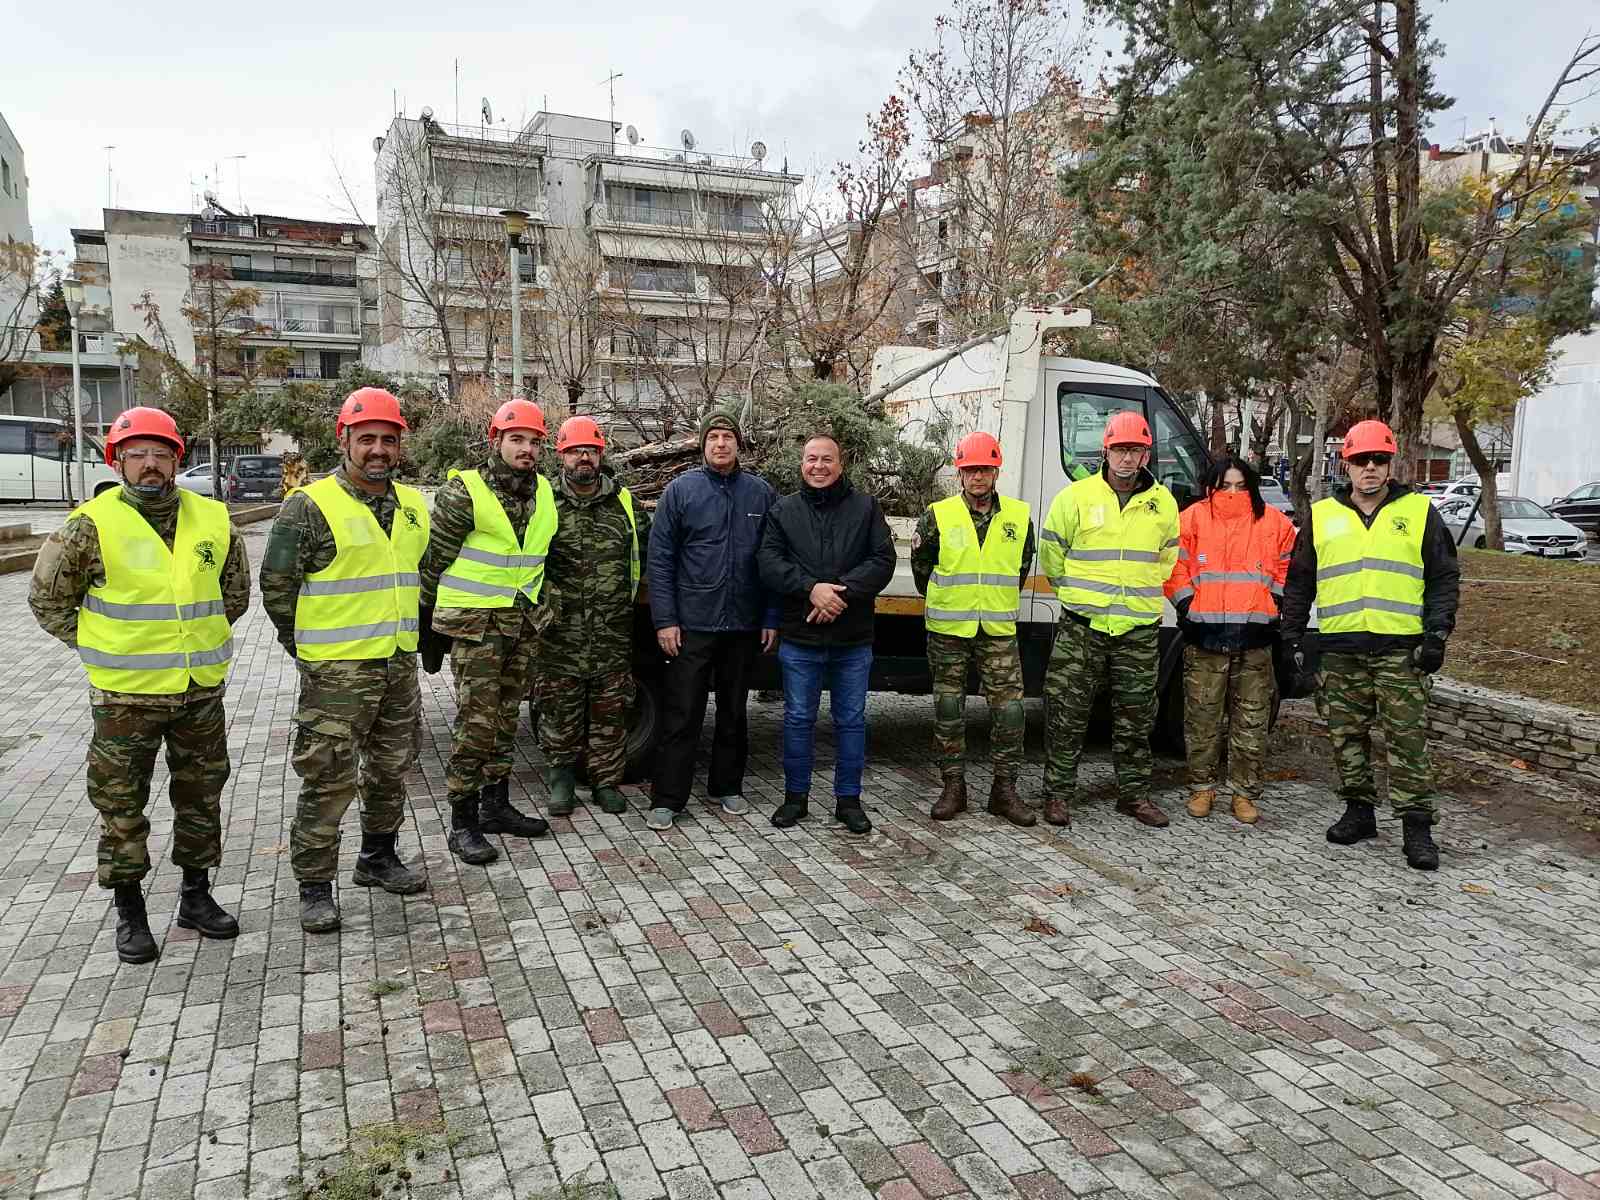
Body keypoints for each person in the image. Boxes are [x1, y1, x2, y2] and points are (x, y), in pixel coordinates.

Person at [28, 408, 248, 964]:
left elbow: (235, 593)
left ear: (178, 457)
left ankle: (196, 897)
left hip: (199, 693)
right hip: (126, 699)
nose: (150, 464)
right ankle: (130, 912)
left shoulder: (215, 519)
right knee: (122, 806)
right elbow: (47, 600)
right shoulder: (88, 525)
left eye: (161, 452)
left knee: (200, 798)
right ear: (118, 460)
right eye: (137, 453)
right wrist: (102, 645)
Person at [260, 387, 430, 932]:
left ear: (399, 445)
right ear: (345, 440)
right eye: (366, 439)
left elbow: (417, 577)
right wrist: (308, 649)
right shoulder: (308, 507)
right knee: (328, 778)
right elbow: (277, 588)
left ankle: (377, 857)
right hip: (337, 674)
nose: (377, 449)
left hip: (398, 667)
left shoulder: (410, 506)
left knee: (390, 771)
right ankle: (314, 886)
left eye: (387, 439)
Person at [1281, 419, 1460, 870]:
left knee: (1407, 739)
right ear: (1348, 464)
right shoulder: (1322, 516)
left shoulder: (1419, 513)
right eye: (1362, 461)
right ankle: (1359, 812)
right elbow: (1300, 581)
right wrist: (1293, 636)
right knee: (1346, 736)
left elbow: (1443, 579)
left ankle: (1416, 829)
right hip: (1340, 648)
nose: (1371, 469)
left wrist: (1437, 634)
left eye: (1379, 460)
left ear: (1390, 463)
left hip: (1401, 649)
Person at [420, 398, 554, 867]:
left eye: (534, 442)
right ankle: (463, 822)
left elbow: (539, 557)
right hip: (477, 630)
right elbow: (432, 563)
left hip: (521, 625)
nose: (527, 449)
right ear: (495, 441)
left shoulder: (543, 492)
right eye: (517, 440)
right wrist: (431, 625)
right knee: (475, 724)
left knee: (504, 720)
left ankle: (496, 806)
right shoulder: (466, 492)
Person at [1039, 410, 1179, 828]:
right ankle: (1057, 795)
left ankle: (1134, 797)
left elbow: (1168, 560)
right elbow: (1052, 557)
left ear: (1145, 454)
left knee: (1137, 716)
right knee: (1066, 713)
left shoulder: (1162, 504)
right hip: (1083, 627)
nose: (1126, 459)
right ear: (1106, 450)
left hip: (1137, 630)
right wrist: (1076, 596)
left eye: (1134, 450)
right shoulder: (1075, 497)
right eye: (1119, 449)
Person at [757, 434, 896, 835]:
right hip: (800, 638)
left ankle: (848, 801)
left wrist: (841, 593)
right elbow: (768, 561)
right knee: (798, 718)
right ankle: (795, 798)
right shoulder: (783, 511)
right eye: (811, 459)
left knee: (850, 720)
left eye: (827, 459)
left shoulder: (866, 507)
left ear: (842, 464)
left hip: (852, 638)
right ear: (802, 464)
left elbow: (882, 560)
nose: (818, 466)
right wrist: (810, 588)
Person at [647, 410, 779, 830]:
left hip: (742, 626)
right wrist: (665, 620)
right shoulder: (680, 491)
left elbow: (774, 560)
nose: (721, 444)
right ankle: (668, 798)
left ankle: (727, 787)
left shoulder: (760, 494)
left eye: (728, 437)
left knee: (734, 713)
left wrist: (771, 616)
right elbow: (661, 559)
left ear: (739, 445)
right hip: (693, 626)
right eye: (713, 437)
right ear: (702, 444)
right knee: (682, 713)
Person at [912, 431, 1036, 826]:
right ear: (959, 472)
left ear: (996, 470)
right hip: (949, 629)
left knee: (1011, 712)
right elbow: (922, 570)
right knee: (949, 710)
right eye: (970, 470)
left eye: (984, 469)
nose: (977, 477)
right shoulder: (937, 515)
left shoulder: (1018, 516)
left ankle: (1005, 790)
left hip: (998, 629)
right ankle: (953, 787)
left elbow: (1021, 567)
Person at [1165, 455, 1296, 824]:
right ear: (1212, 485)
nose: (1233, 492)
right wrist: (1187, 603)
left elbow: (1292, 565)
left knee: (1251, 723)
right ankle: (1202, 787)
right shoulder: (1191, 518)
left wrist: (1276, 601)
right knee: (1201, 720)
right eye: (1225, 485)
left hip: (1255, 640)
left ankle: (1244, 793)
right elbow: (1173, 565)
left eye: (1241, 484)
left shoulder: (1274, 523)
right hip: (1205, 638)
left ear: (1251, 485)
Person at [537, 416, 649, 818]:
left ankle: (606, 783)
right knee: (560, 709)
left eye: (591, 450)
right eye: (575, 451)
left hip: (611, 631)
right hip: (560, 633)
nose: (584, 457)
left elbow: (646, 552)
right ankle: (561, 780)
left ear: (601, 455)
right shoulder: (543, 503)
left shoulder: (625, 504)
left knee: (610, 712)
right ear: (562, 456)